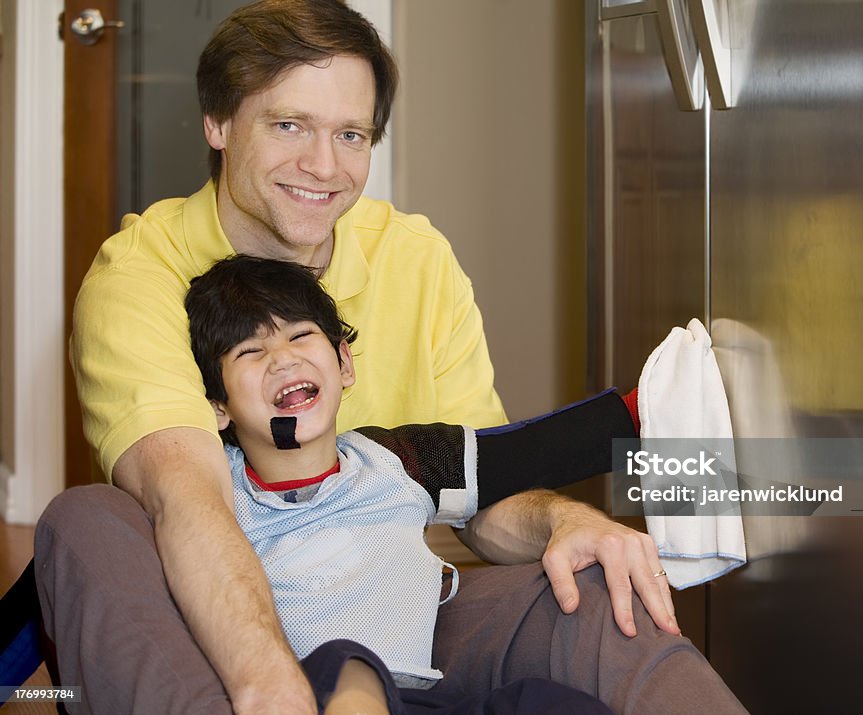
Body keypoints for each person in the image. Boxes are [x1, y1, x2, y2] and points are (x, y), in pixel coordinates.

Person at [35, 1, 747, 713]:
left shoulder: (416, 258)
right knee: (88, 519)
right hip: (216, 621)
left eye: (351, 134)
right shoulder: (138, 276)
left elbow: (480, 488)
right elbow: (187, 498)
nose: (324, 165)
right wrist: (273, 688)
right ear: (218, 122)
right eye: (289, 124)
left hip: (397, 617)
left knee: (593, 589)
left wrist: (565, 519)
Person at [185, 254, 642, 714]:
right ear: (218, 406)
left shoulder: (397, 460)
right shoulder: (213, 490)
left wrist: (650, 410)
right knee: (344, 660)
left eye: (300, 335)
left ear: (344, 363)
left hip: (422, 698)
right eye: (250, 352)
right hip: (304, 695)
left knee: (542, 702)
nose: (283, 359)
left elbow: (532, 450)